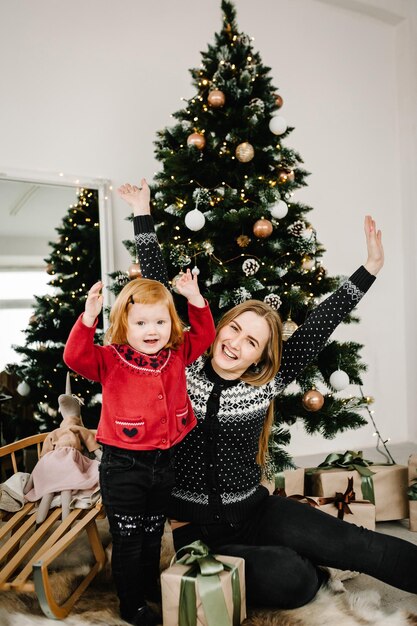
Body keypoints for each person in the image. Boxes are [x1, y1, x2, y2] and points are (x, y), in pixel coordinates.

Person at [119, 180, 417, 610]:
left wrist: (368, 269)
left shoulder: (269, 381)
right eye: (235, 328)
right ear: (220, 327)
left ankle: (320, 552)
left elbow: (320, 323)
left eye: (252, 342)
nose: (237, 343)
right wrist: (142, 213)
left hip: (257, 510)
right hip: (198, 534)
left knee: (358, 544)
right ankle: (310, 566)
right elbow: (154, 293)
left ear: (260, 358)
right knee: (293, 579)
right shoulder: (177, 363)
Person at [63, 261, 216, 626]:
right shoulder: (109, 359)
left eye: (160, 322)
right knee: (129, 537)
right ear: (124, 325)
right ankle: (130, 604)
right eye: (141, 323)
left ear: (171, 325)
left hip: (163, 463)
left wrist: (195, 299)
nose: (152, 331)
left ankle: (147, 588)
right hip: (122, 466)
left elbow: (205, 335)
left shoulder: (176, 354)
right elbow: (73, 357)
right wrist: (87, 319)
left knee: (152, 532)